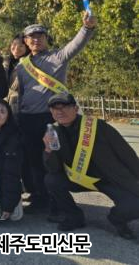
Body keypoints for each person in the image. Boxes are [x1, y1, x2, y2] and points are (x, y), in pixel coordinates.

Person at [17, 13, 96, 213]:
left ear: (46, 38)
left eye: (40, 36)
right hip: (27, 119)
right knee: (33, 161)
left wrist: (86, 28)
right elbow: (22, 92)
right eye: (31, 37)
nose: (36, 39)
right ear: (26, 41)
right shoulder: (22, 66)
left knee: (52, 161)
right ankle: (39, 197)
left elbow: (75, 45)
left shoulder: (57, 57)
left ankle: (56, 201)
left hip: (49, 120)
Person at [43, 93, 139, 238]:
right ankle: (74, 216)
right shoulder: (53, 132)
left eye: (65, 107)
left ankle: (117, 218)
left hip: (108, 179)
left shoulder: (97, 126)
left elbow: (126, 153)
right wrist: (48, 150)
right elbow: (53, 168)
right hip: (78, 179)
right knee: (51, 180)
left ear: (76, 108)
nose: (60, 111)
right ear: (51, 112)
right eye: (55, 108)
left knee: (135, 204)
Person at [0, 99, 23, 221]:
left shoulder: (13, 139)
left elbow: (11, 174)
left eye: (2, 112)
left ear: (8, 117)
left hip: (3, 183)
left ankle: (13, 203)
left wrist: (8, 206)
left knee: (8, 216)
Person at [3, 35, 29, 114]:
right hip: (3, 105)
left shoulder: (30, 64)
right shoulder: (6, 60)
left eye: (21, 46)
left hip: (20, 107)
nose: (16, 48)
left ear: (27, 48)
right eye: (14, 44)